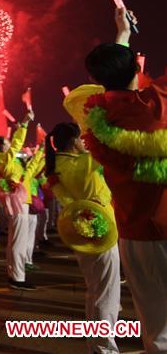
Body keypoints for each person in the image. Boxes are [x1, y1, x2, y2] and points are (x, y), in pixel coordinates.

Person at [64, 7, 166, 353]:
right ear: (138, 67)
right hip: (163, 227)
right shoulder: (154, 105)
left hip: (131, 232)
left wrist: (121, 38)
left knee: (154, 323)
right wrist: (123, 40)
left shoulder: (94, 113)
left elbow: (101, 87)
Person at [44, 122, 121, 354]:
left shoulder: (56, 166)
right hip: (101, 230)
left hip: (81, 229)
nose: (83, 143)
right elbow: (113, 151)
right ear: (74, 141)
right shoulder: (84, 163)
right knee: (106, 293)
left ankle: (96, 345)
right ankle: (104, 348)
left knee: (95, 290)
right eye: (81, 139)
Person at [0, 105, 41, 290]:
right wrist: (25, 124)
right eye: (7, 142)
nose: (10, 143)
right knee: (19, 240)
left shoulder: (6, 161)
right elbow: (17, 144)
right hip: (18, 204)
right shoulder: (4, 159)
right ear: (0, 148)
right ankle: (18, 277)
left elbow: (27, 173)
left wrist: (40, 153)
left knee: (15, 239)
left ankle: (14, 273)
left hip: (19, 202)